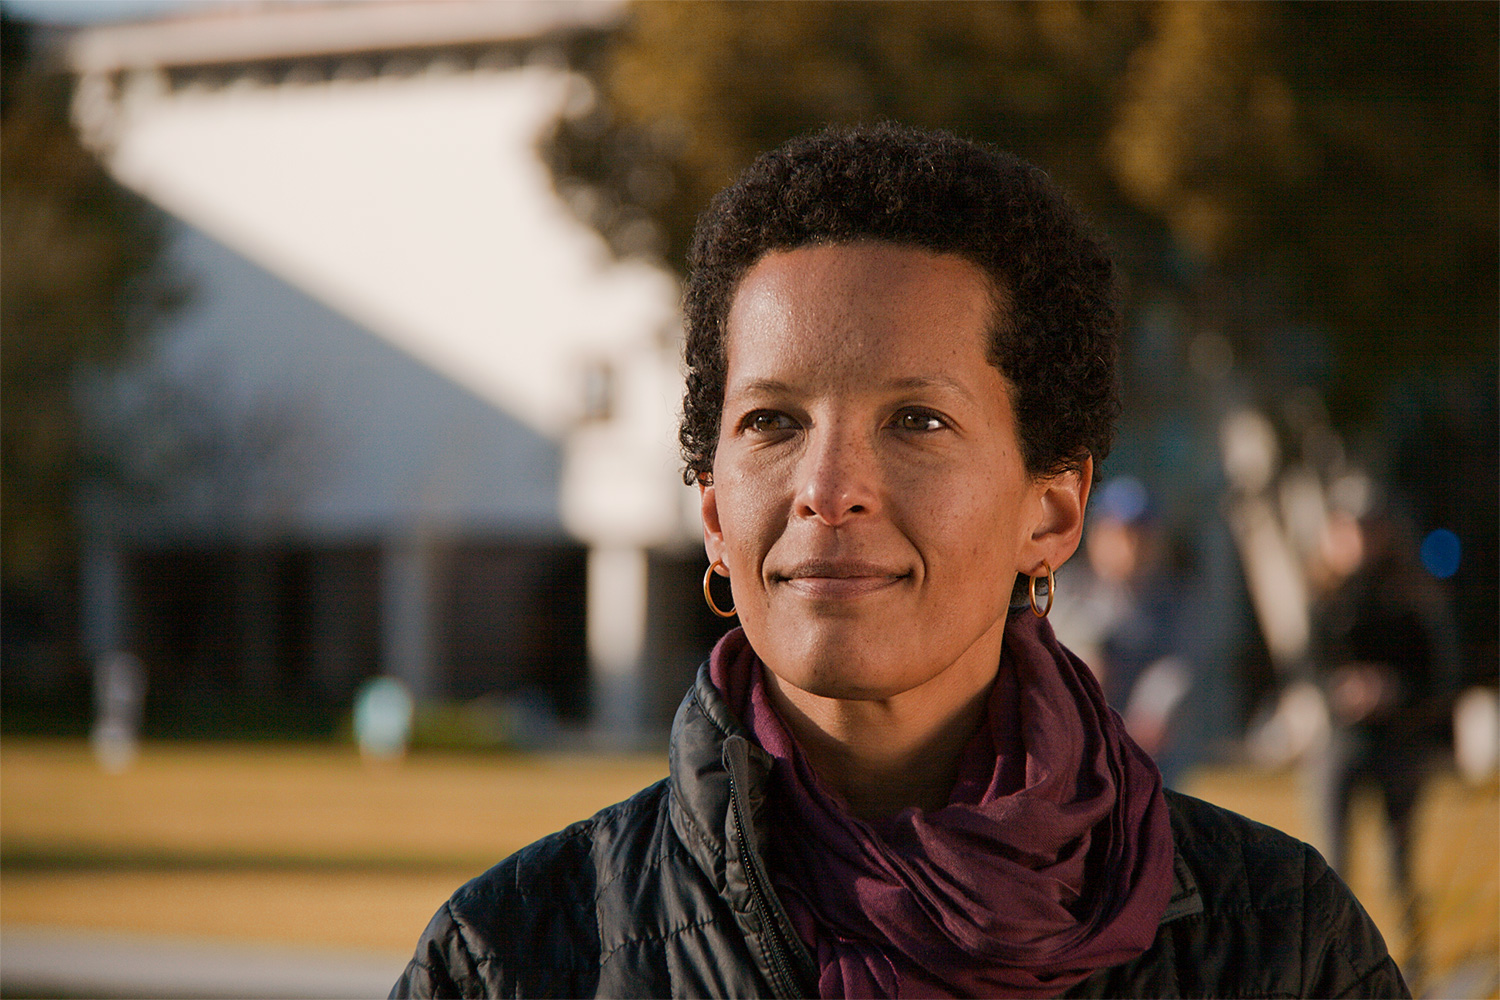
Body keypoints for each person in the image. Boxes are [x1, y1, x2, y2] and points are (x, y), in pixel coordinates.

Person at [392, 124, 1405, 999]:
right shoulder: (511, 956)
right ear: (711, 510)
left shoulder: (1281, 939)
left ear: (1051, 512)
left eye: (916, 420)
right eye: (772, 421)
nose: (827, 487)